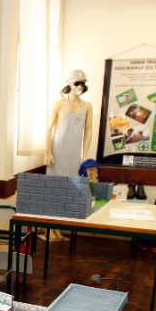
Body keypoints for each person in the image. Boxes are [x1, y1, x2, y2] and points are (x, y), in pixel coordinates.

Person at [45, 69, 93, 241]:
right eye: (76, 83)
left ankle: (58, 229)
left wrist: (85, 155)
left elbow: (88, 130)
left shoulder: (87, 106)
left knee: (67, 192)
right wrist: (48, 152)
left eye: (82, 83)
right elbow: (49, 128)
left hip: (74, 154)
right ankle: (49, 230)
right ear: (69, 84)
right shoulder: (59, 104)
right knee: (53, 191)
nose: (79, 87)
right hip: (58, 153)